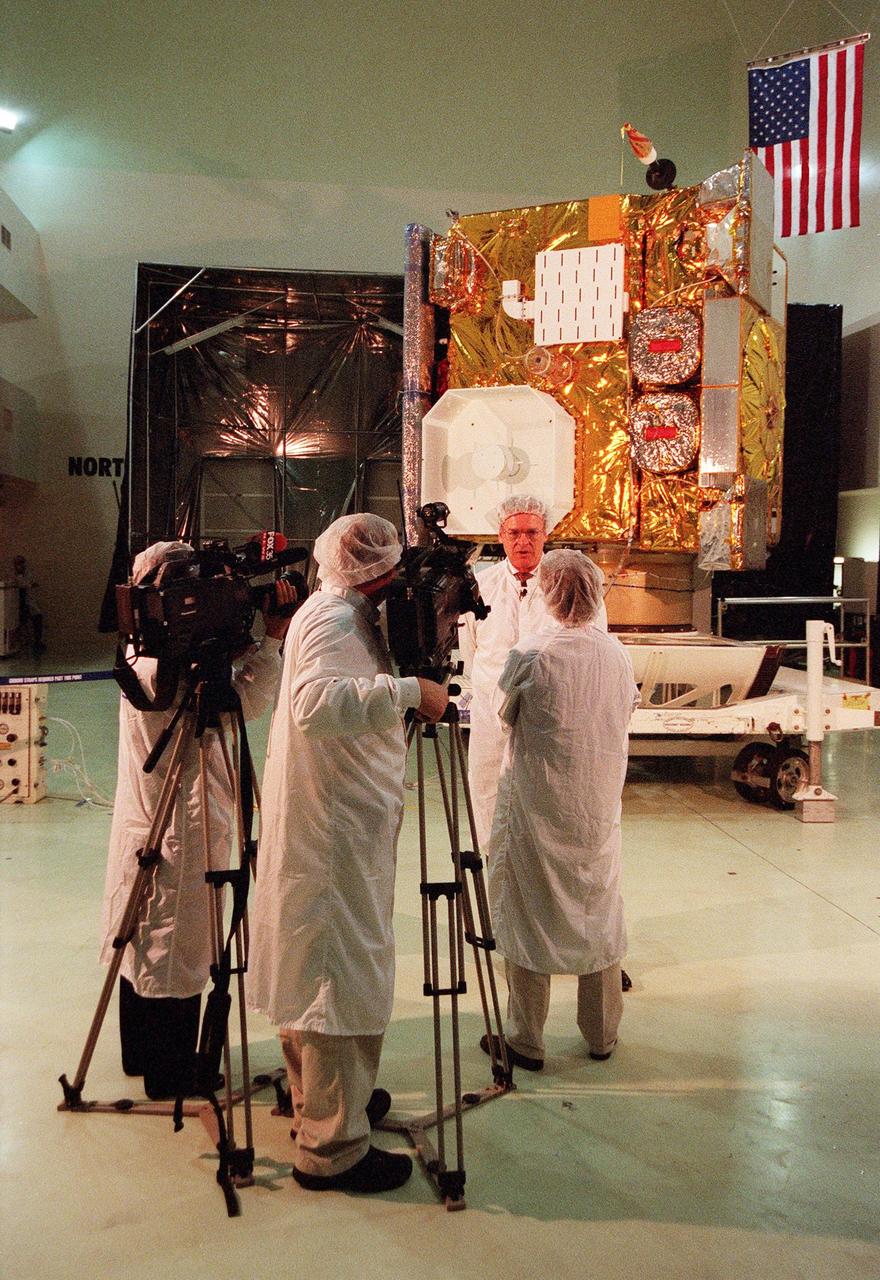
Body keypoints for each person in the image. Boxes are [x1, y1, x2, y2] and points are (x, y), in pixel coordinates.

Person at [247, 513, 449, 1195]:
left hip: (333, 824)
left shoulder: (336, 612)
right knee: (340, 975)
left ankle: (324, 1106)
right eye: (391, 570)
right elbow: (312, 705)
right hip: (332, 834)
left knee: (319, 968)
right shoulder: (334, 621)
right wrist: (408, 693)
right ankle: (332, 1150)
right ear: (368, 569)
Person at [99, 540, 296, 1099]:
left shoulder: (143, 651)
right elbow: (245, 702)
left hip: (150, 818)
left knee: (142, 931)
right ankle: (171, 1071)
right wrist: (273, 641)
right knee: (175, 937)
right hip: (177, 822)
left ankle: (141, 1054)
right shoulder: (168, 666)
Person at [481, 549, 639, 1072]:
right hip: (595, 805)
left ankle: (526, 1039)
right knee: (597, 906)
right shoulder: (616, 653)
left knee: (530, 912)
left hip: (538, 804)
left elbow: (505, 717)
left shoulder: (531, 653)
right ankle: (601, 1033)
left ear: (547, 594)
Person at [458, 496, 608, 854]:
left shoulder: (569, 584)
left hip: (549, 714)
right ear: (500, 534)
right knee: (487, 790)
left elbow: (592, 644)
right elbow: (470, 648)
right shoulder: (482, 584)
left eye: (531, 533)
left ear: (546, 534)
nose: (522, 542)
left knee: (547, 796)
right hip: (490, 713)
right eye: (514, 533)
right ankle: (490, 864)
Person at [13, 555, 45, 654]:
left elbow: (30, 586)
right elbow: (21, 587)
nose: (22, 565)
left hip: (29, 604)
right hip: (19, 606)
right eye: (19, 563)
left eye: (22, 563)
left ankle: (37, 641)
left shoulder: (28, 576)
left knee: (38, 618)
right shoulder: (13, 577)